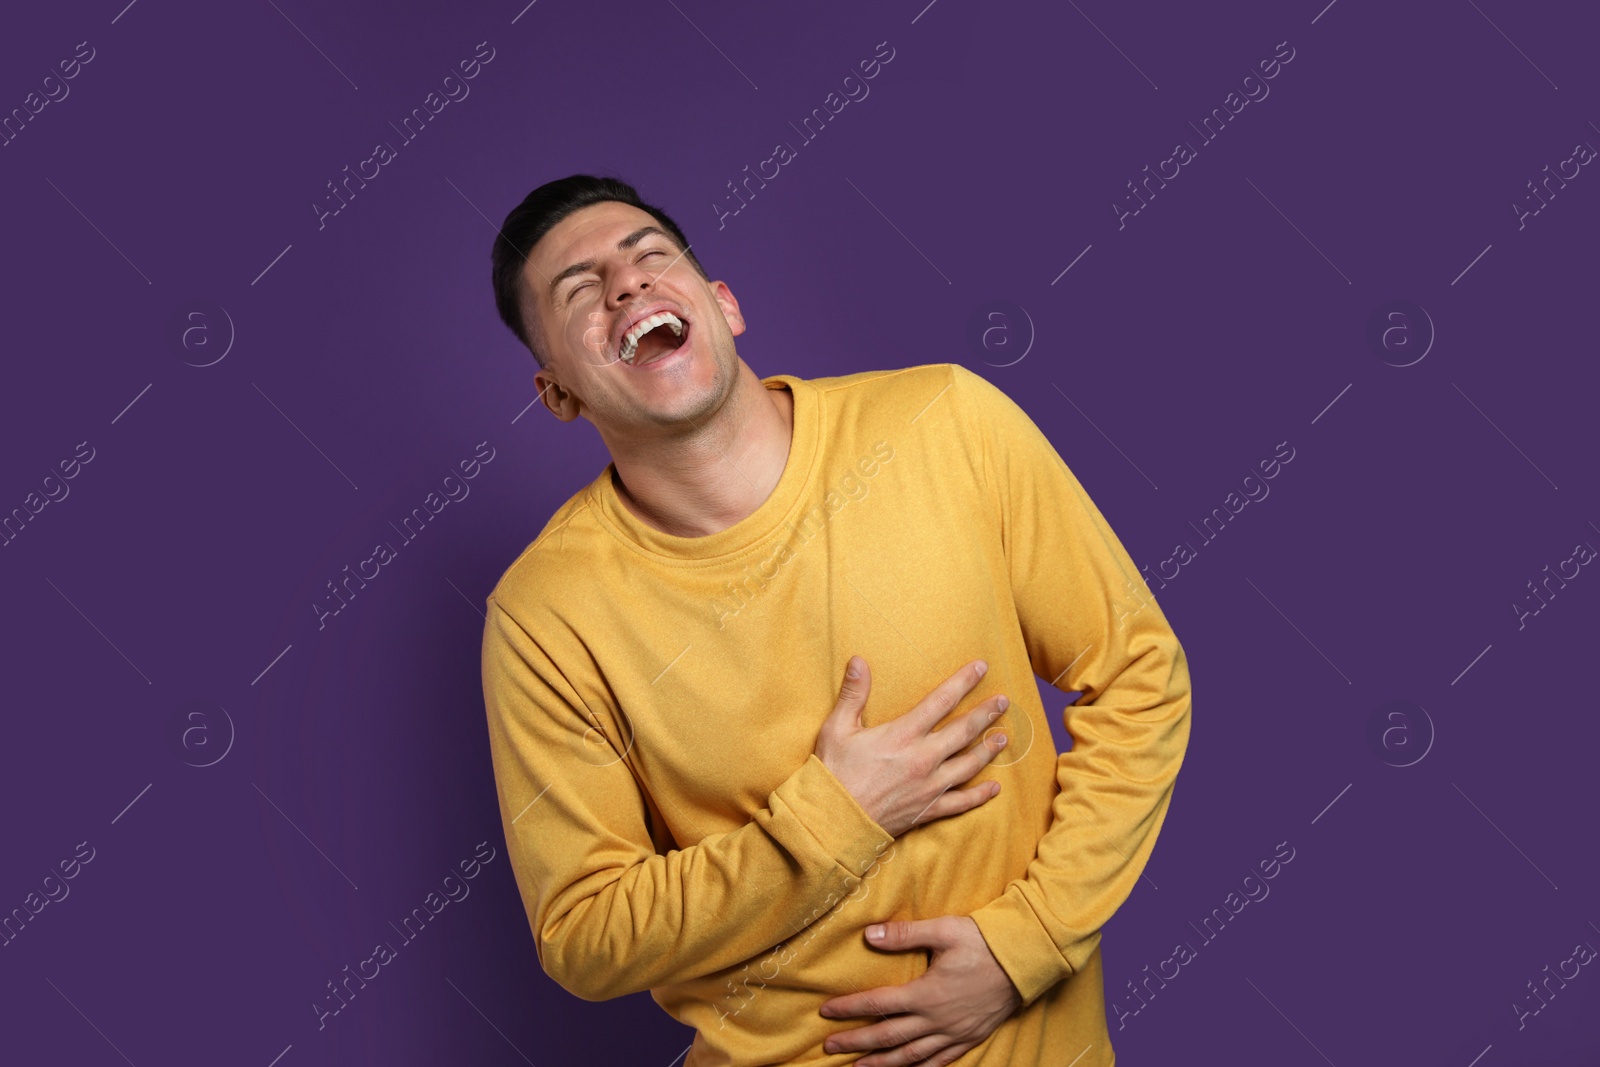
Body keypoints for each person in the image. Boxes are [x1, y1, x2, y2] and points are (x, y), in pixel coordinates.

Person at [479, 174, 1191, 1067]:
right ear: (558, 394)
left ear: (725, 305)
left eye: (651, 255)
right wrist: (833, 818)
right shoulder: (545, 614)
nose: (626, 285)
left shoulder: (947, 421)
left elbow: (1139, 674)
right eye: (579, 290)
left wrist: (1028, 943)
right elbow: (583, 934)